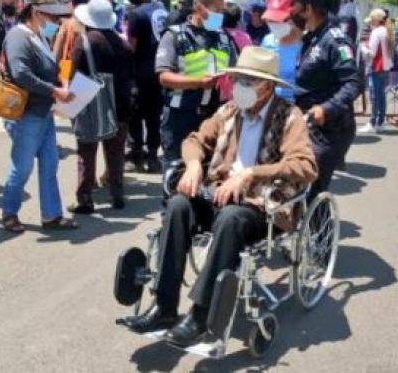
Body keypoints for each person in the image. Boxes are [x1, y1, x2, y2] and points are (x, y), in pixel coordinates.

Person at [121, 46, 317, 346]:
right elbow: (194, 140)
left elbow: (305, 166)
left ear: (268, 87)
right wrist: (193, 165)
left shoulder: (289, 117)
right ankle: (164, 306)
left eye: (248, 81)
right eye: (238, 78)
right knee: (177, 204)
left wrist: (251, 173)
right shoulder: (228, 111)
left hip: (263, 205)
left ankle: (200, 316)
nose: (239, 86)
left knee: (230, 217)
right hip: (221, 193)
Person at [0, 0, 78, 233]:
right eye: (52, 17)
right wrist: (54, 91)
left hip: (42, 112)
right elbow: (21, 73)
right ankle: (9, 212)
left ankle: (51, 215)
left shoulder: (37, 37)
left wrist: (59, 88)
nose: (57, 22)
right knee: (22, 167)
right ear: (35, 12)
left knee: (49, 164)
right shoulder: (18, 37)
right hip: (27, 114)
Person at [288, 0, 360, 204]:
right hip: (304, 125)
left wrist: (326, 108)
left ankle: (318, 237)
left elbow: (353, 82)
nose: (291, 12)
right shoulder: (311, 38)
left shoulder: (335, 41)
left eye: (295, 6)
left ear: (308, 9)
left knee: (312, 191)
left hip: (328, 131)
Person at [156, 0, 236, 187]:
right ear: (199, 8)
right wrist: (198, 82)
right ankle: (171, 215)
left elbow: (237, 70)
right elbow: (164, 76)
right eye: (216, 11)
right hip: (179, 116)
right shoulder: (175, 36)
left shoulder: (224, 38)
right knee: (176, 171)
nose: (220, 16)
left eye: (222, 11)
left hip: (212, 116)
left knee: (208, 171)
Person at [67, 0, 134, 214]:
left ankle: (85, 199)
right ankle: (117, 195)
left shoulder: (85, 42)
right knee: (115, 153)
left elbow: (75, 77)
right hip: (121, 106)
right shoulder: (122, 43)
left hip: (90, 104)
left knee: (86, 152)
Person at [121, 0, 169, 173]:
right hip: (158, 71)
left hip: (139, 72)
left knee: (135, 115)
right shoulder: (161, 9)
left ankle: (136, 155)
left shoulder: (136, 14)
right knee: (154, 115)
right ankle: (153, 156)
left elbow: (132, 46)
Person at [259, 0, 302, 103]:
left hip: (296, 105)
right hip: (269, 104)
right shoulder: (267, 41)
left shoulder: (304, 44)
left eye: (277, 20)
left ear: (292, 18)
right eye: (270, 20)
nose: (273, 24)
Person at [358, 9, 394, 133]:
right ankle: (380, 121)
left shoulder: (376, 32)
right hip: (385, 67)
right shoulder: (387, 31)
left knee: (374, 96)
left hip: (377, 67)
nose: (369, 24)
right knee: (381, 95)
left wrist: (362, 48)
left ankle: (373, 122)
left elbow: (372, 54)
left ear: (375, 20)